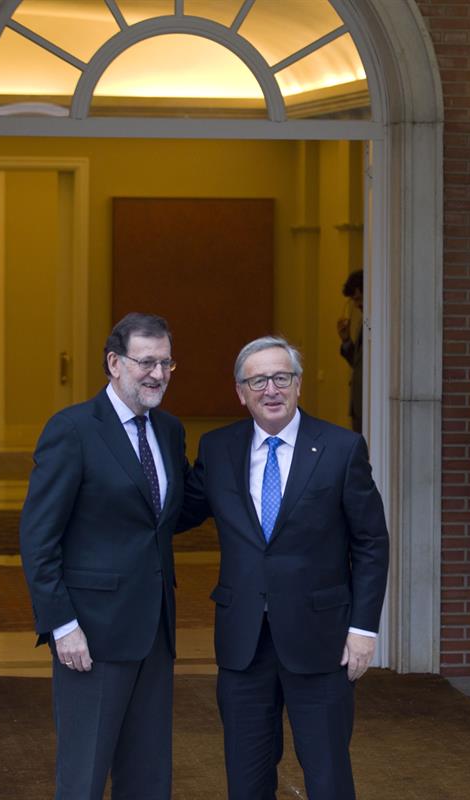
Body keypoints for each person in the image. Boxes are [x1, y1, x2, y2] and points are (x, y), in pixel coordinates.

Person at [181, 335, 389, 800]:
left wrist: (364, 629)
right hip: (243, 643)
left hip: (322, 640)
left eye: (281, 377)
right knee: (247, 777)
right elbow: (177, 514)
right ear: (241, 392)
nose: (270, 389)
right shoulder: (217, 449)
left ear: (297, 385)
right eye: (258, 380)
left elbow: (371, 542)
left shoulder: (340, 447)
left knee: (327, 775)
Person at [19, 313, 186, 799]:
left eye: (167, 363)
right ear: (114, 363)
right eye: (146, 362)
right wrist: (61, 624)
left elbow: (170, 513)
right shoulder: (72, 429)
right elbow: (38, 537)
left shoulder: (170, 431)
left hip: (155, 630)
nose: (158, 374)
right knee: (84, 775)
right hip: (89, 634)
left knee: (148, 774)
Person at [336, 270, 363, 433]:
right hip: (358, 404)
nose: (357, 305)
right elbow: (357, 361)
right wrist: (346, 341)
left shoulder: (376, 320)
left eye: (358, 299)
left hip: (367, 402)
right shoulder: (362, 322)